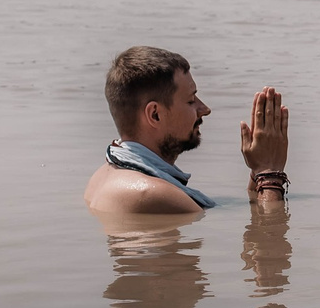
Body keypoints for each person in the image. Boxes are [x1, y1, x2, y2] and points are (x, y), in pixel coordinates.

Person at [84, 45, 290, 215]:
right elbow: (268, 234)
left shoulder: (106, 172)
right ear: (155, 114)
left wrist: (258, 173)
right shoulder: (148, 194)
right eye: (191, 101)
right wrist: (270, 172)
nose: (205, 109)